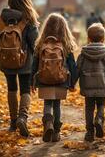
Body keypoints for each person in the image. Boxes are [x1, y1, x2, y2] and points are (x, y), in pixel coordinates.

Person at [0, 0, 39, 137]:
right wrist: (37, 65)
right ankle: (22, 118)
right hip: (26, 62)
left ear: (10, 1)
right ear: (26, 0)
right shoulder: (29, 19)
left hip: (6, 61)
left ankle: (13, 122)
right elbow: (34, 44)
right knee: (25, 89)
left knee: (11, 88)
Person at [31, 13, 77, 142]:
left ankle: (48, 123)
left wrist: (32, 82)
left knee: (47, 103)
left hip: (44, 78)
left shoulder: (41, 44)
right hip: (61, 79)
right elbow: (73, 65)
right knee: (57, 106)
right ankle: (56, 133)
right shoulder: (66, 44)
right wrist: (72, 82)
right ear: (64, 28)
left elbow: (34, 65)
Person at [75, 23, 105, 142]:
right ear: (103, 39)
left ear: (88, 38)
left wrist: (71, 84)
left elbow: (77, 70)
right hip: (103, 85)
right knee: (101, 105)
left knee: (89, 108)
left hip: (87, 86)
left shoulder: (83, 55)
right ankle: (99, 119)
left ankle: (90, 132)